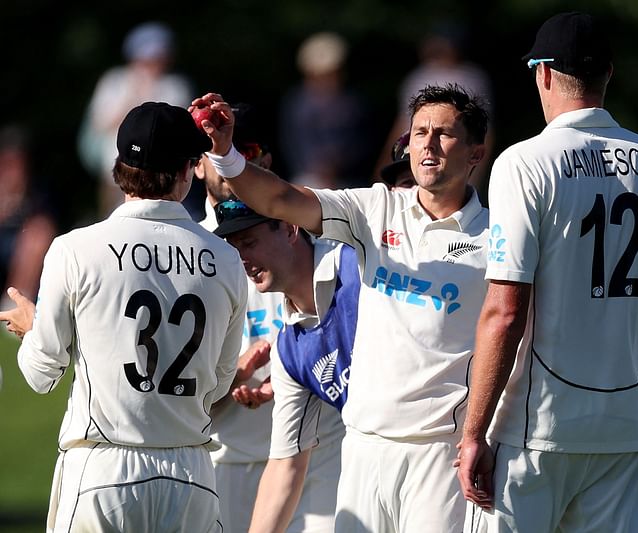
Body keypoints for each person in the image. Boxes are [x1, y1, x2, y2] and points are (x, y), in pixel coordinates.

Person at [192, 82, 490, 532]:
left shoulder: (498, 235)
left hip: (442, 453)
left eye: (444, 133)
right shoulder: (374, 209)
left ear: (475, 154)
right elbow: (281, 200)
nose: (428, 143)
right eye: (419, 131)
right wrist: (227, 154)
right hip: (365, 451)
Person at [455, 12, 638, 533]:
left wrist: (473, 432)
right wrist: (628, 349)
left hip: (537, 428)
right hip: (623, 426)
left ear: (544, 73)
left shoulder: (524, 162)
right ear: (608, 75)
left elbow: (505, 313)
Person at [0, 102, 247, 532]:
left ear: (119, 166)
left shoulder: (76, 249)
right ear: (186, 172)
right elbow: (220, 382)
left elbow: (42, 375)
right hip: (192, 474)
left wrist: (32, 328)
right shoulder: (226, 259)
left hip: (103, 471)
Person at [212, 198, 354, 533]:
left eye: (250, 243)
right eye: (235, 248)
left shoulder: (356, 269)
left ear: (290, 228)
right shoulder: (291, 348)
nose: (243, 260)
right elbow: (285, 465)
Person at [195, 103, 285, 533]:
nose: (233, 163)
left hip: (311, 455)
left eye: (245, 151)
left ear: (265, 160)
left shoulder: (304, 236)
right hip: (219, 460)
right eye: (214, 152)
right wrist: (231, 378)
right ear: (196, 166)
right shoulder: (183, 251)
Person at [78, 21, 193, 217]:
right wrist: (134, 95)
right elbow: (100, 124)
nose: (154, 64)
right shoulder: (115, 81)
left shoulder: (176, 86)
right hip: (114, 169)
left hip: (163, 171)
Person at [376, 22, 494, 193]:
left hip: (452, 160)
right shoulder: (417, 77)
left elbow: (485, 133)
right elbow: (402, 125)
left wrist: (475, 174)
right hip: (412, 158)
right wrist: (385, 162)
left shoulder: (473, 78)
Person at [279, 31, 372, 190]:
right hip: (307, 180)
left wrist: (337, 164)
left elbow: (362, 144)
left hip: (349, 183)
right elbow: (293, 144)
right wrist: (318, 170)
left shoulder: (352, 102)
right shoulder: (297, 103)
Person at [0, 125, 57, 310]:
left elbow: (45, 223)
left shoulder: (35, 191)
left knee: (38, 235)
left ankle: (15, 304)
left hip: (18, 245)